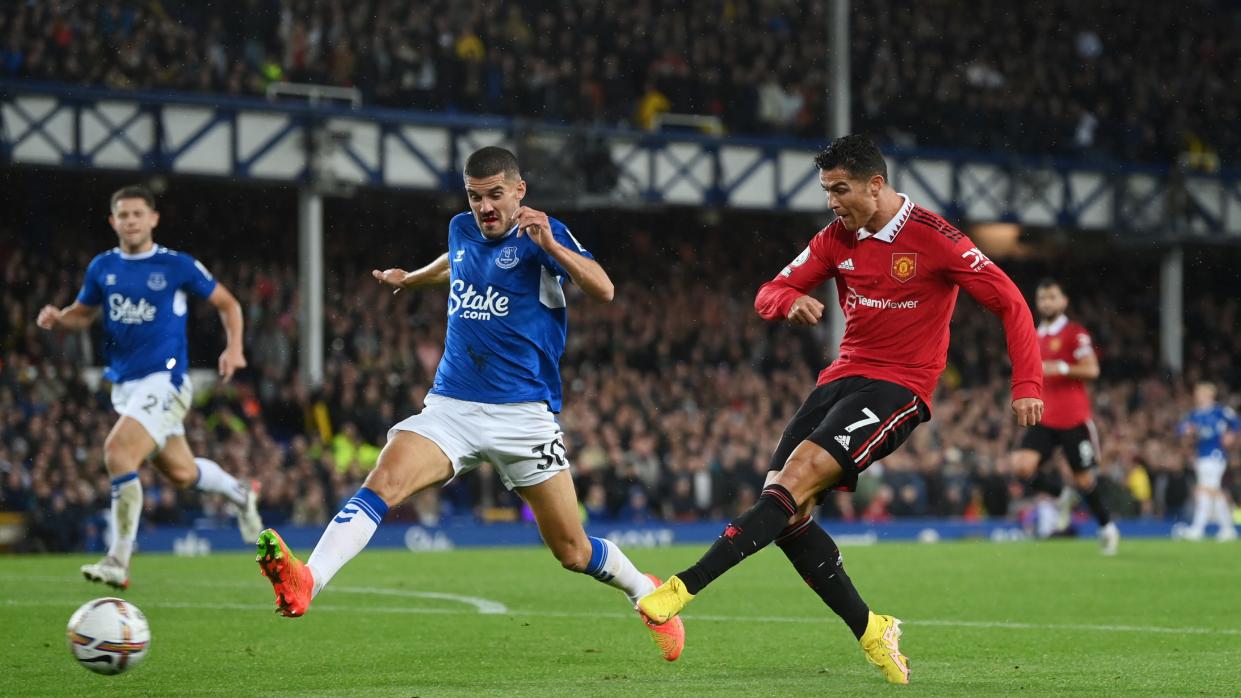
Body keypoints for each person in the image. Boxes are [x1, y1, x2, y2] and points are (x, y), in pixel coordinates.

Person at [637, 135, 1044, 684]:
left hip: (900, 388)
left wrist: (1028, 383)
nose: (831, 201)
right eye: (827, 189)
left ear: (875, 184)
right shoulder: (835, 238)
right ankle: (874, 629)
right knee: (785, 511)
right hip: (840, 380)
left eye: (840, 189)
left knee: (794, 481)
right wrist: (791, 301)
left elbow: (1009, 300)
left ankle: (681, 588)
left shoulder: (936, 238)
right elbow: (768, 291)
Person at [254, 146, 685, 661]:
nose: (485, 207)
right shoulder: (461, 228)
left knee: (572, 551)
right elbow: (456, 263)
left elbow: (605, 289)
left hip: (523, 416)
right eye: (475, 196)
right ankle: (309, 580)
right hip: (451, 408)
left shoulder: (542, 235)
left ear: (519, 191)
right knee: (383, 482)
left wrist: (552, 244)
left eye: (495, 195)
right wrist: (412, 278)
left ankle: (646, 593)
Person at [37, 185, 262, 590]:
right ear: (113, 221)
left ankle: (117, 558)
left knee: (118, 453)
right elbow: (82, 315)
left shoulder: (176, 266)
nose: (131, 221)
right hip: (124, 385)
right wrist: (59, 317)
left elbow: (229, 304)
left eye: (138, 214)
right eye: (123, 215)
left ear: (153, 219)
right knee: (181, 472)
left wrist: (234, 348)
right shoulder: (102, 267)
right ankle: (240, 492)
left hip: (168, 379)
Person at [1010, 279, 1120, 553]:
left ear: (1063, 301)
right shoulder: (1033, 334)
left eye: (1052, 297)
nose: (1047, 303)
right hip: (1044, 417)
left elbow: (1092, 370)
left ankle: (1107, 527)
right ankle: (1062, 495)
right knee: (1022, 466)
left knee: (1084, 480)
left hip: (1073, 418)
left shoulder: (1075, 333)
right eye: (1043, 298)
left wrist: (1060, 366)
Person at [1177, 382, 1239, 541]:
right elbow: (1181, 428)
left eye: (1201, 394)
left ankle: (1198, 528)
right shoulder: (1195, 414)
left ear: (1210, 395)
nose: (1198, 397)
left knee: (1204, 489)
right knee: (1213, 490)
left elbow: (1236, 423)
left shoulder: (1220, 411)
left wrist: (1230, 436)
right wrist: (1187, 430)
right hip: (1202, 454)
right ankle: (1227, 529)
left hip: (1216, 454)